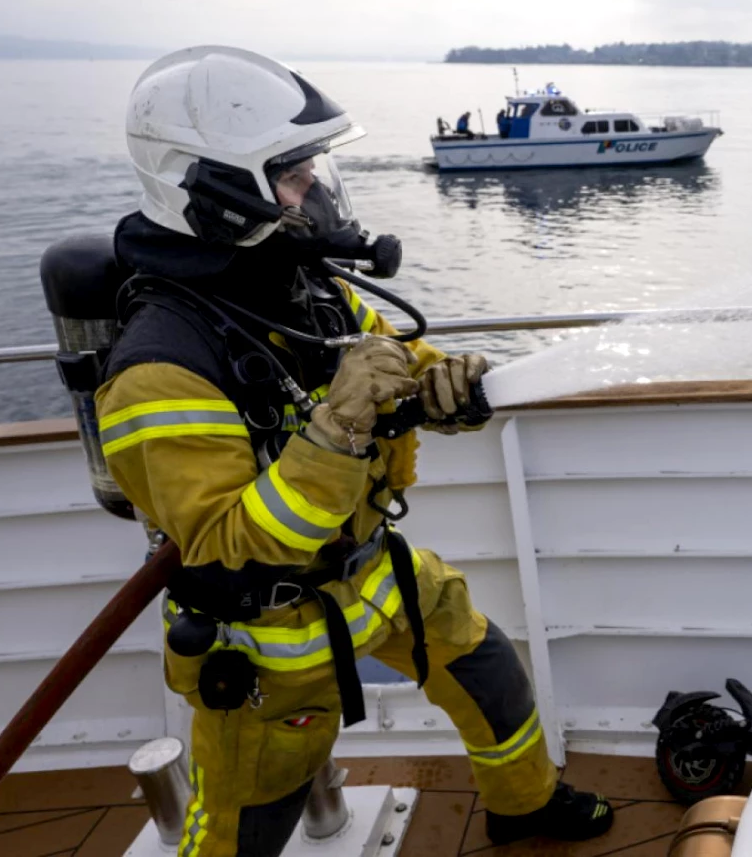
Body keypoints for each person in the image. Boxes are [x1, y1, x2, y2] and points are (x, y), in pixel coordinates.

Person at [99, 45, 612, 856]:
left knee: (487, 668)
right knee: (245, 823)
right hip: (265, 642)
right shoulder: (156, 372)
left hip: (370, 572)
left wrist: (439, 386)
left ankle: (524, 803)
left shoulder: (306, 287)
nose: (314, 194)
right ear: (218, 191)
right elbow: (231, 550)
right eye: (294, 176)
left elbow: (387, 364)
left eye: (311, 170)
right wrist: (334, 433)